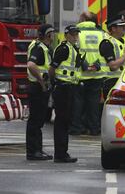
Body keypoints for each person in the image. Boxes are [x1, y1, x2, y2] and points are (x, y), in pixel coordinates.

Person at [49, 24, 81, 163]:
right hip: (62, 88)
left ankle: (62, 152)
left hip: (70, 88)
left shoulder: (73, 49)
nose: (75, 37)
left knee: (65, 121)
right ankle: (60, 154)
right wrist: (54, 82)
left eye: (77, 34)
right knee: (62, 121)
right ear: (67, 35)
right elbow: (52, 68)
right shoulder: (63, 49)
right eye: (73, 34)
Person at [70, 12, 106, 136]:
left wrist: (84, 64)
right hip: (97, 73)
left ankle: (77, 127)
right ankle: (94, 128)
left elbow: (74, 50)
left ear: (84, 19)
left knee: (78, 103)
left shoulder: (77, 33)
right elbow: (104, 51)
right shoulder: (102, 33)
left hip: (81, 74)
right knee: (94, 104)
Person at [26, 24, 55, 160]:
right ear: (48, 35)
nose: (53, 36)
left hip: (39, 87)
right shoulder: (39, 48)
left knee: (39, 121)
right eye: (52, 34)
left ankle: (37, 149)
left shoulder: (41, 47)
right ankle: (33, 151)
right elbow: (31, 65)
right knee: (35, 121)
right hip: (37, 87)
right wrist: (42, 81)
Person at [99, 15, 125, 99]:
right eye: (121, 26)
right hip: (110, 82)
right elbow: (113, 66)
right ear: (113, 29)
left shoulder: (124, 41)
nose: (124, 28)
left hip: (122, 81)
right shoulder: (107, 43)